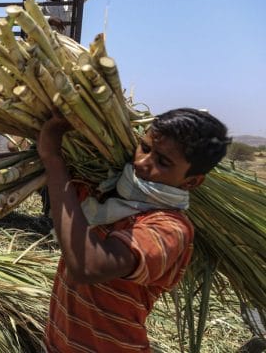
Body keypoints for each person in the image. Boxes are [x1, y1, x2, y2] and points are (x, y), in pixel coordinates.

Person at [38, 108, 230, 352]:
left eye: (163, 162)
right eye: (145, 148)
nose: (141, 162)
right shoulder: (103, 194)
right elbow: (62, 195)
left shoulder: (169, 228)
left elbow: (89, 266)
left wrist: (52, 157)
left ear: (191, 181)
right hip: (57, 342)